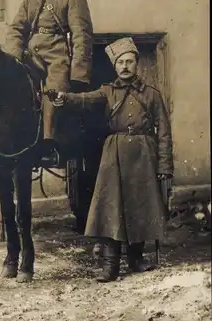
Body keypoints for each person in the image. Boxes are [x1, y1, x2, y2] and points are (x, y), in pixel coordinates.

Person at [50, 37, 173, 282]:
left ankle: (136, 260)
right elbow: (85, 99)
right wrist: (64, 98)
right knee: (110, 208)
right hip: (114, 153)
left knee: (140, 206)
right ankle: (111, 266)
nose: (125, 66)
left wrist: (164, 166)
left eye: (129, 61)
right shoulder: (107, 91)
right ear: (115, 66)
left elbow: (165, 132)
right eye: (121, 63)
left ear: (137, 64)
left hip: (143, 154)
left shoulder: (152, 95)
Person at [2, 0, 93, 167]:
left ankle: (48, 146)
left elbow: (82, 35)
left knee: (54, 93)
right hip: (31, 54)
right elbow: (17, 28)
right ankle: (5, 139)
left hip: (57, 55)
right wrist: (12, 56)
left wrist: (78, 73)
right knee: (12, 88)